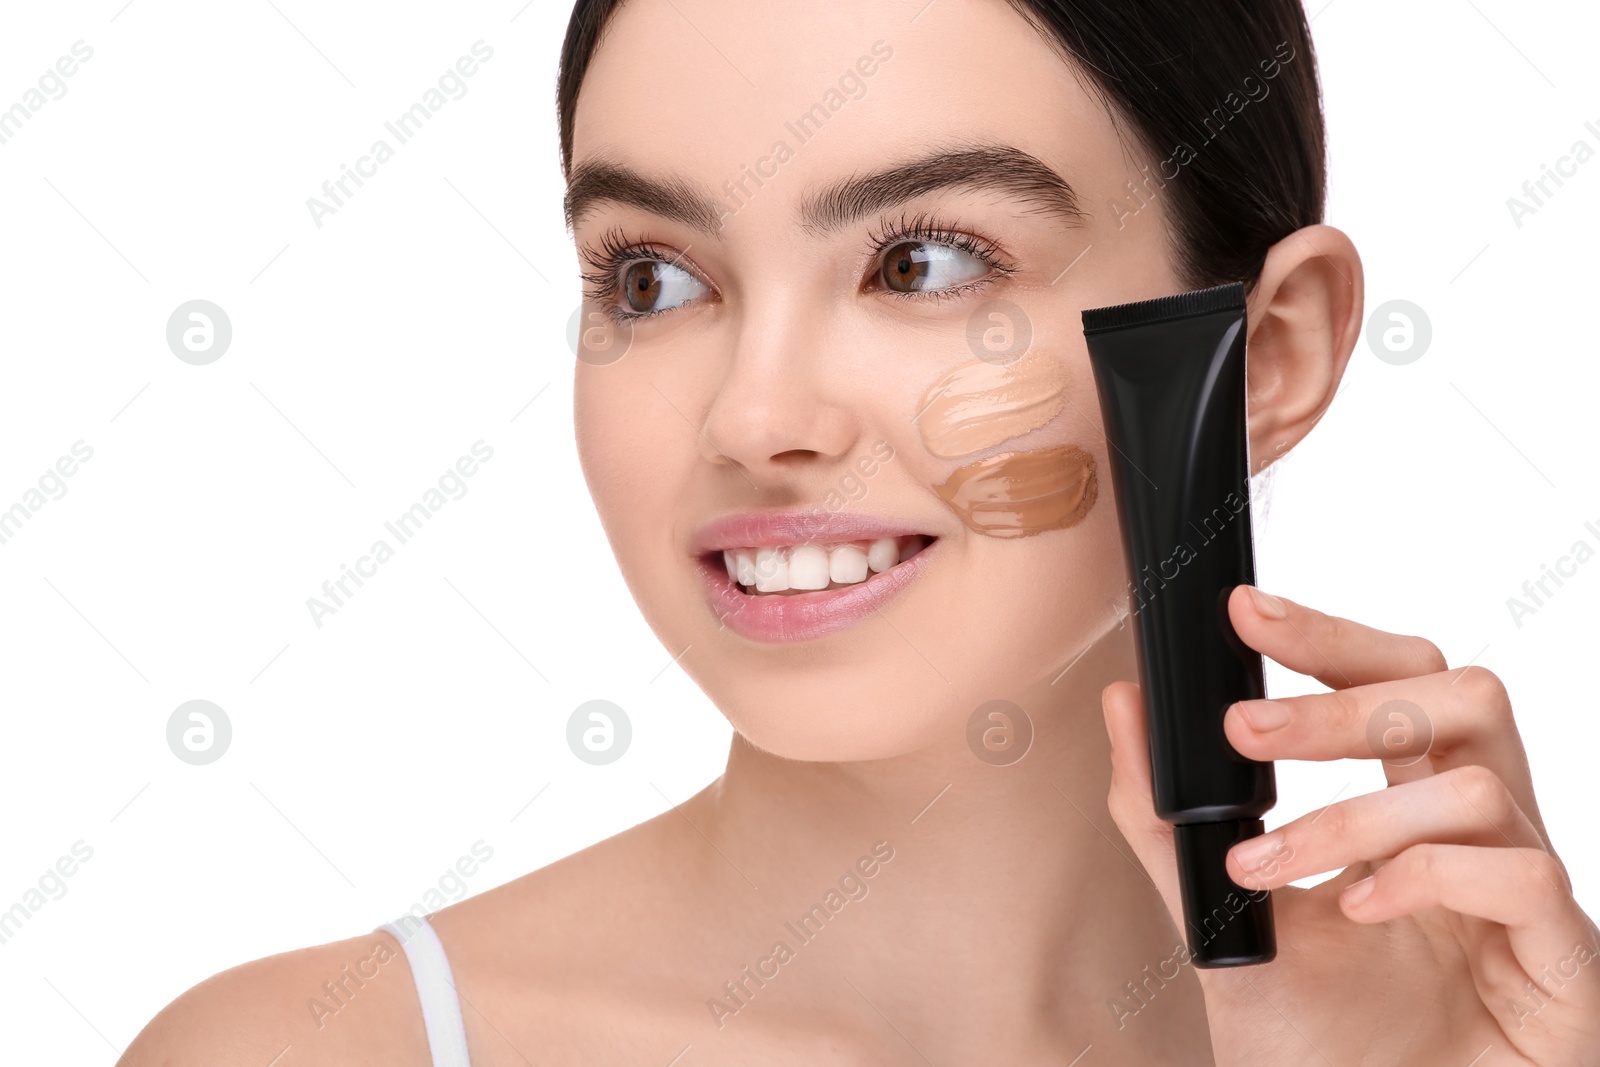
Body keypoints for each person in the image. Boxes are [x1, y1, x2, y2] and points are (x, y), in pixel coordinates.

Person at [122, 1, 1600, 1063]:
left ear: (1266, 354)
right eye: (650, 278)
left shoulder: (1447, 1036)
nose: (755, 418)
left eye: (925, 261)